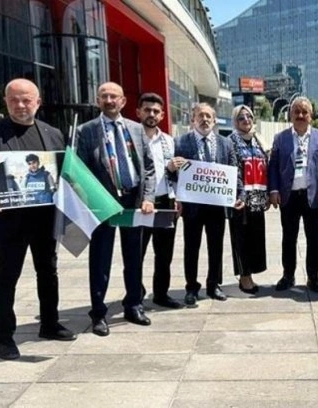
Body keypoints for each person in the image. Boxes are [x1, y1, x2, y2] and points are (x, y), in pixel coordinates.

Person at [0, 78, 75, 360]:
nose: (20, 105)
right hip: (9, 221)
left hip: (46, 219)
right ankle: (4, 338)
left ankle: (49, 324)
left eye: (26, 100)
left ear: (38, 102)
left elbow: (65, 172)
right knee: (8, 276)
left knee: (48, 272)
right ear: (6, 102)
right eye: (14, 100)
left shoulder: (53, 134)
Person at [76, 82, 156, 336]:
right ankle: (98, 313)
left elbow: (149, 167)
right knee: (100, 259)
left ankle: (133, 305)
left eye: (114, 96)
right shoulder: (85, 131)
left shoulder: (137, 129)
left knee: (134, 257)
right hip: (103, 204)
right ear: (98, 101)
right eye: (104, 96)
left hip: (133, 201)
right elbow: (79, 171)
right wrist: (93, 201)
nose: (109, 100)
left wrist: (148, 197)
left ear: (123, 101)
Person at [169, 103, 244, 305]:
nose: (205, 120)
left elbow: (234, 172)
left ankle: (213, 284)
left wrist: (241, 194)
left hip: (217, 206)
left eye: (208, 116)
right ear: (193, 119)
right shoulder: (180, 143)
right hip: (192, 207)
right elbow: (172, 175)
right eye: (200, 116)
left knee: (216, 247)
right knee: (191, 248)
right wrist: (171, 169)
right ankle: (191, 287)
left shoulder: (225, 143)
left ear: (214, 120)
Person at [268, 96, 318, 293]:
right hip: (288, 196)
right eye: (297, 112)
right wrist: (274, 190)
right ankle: (288, 276)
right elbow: (273, 166)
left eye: (305, 112)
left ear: (311, 116)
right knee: (289, 238)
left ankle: (313, 277)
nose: (301, 115)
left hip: (313, 197)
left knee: (314, 239)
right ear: (290, 115)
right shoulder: (281, 138)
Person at [136, 93, 182, 309]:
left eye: (156, 111)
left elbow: (175, 174)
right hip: (141, 203)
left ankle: (161, 293)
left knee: (164, 253)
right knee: (137, 252)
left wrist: (178, 195)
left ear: (162, 115)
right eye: (147, 110)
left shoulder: (169, 141)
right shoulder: (132, 138)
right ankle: (135, 294)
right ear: (138, 112)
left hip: (165, 201)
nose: (151, 114)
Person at [227, 105, 269, 294]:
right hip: (240, 200)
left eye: (249, 117)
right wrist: (241, 195)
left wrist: (267, 195)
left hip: (258, 200)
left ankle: (250, 273)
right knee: (241, 239)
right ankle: (244, 277)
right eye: (241, 118)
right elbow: (233, 170)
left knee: (255, 240)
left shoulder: (258, 139)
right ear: (235, 121)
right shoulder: (231, 141)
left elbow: (266, 167)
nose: (246, 120)